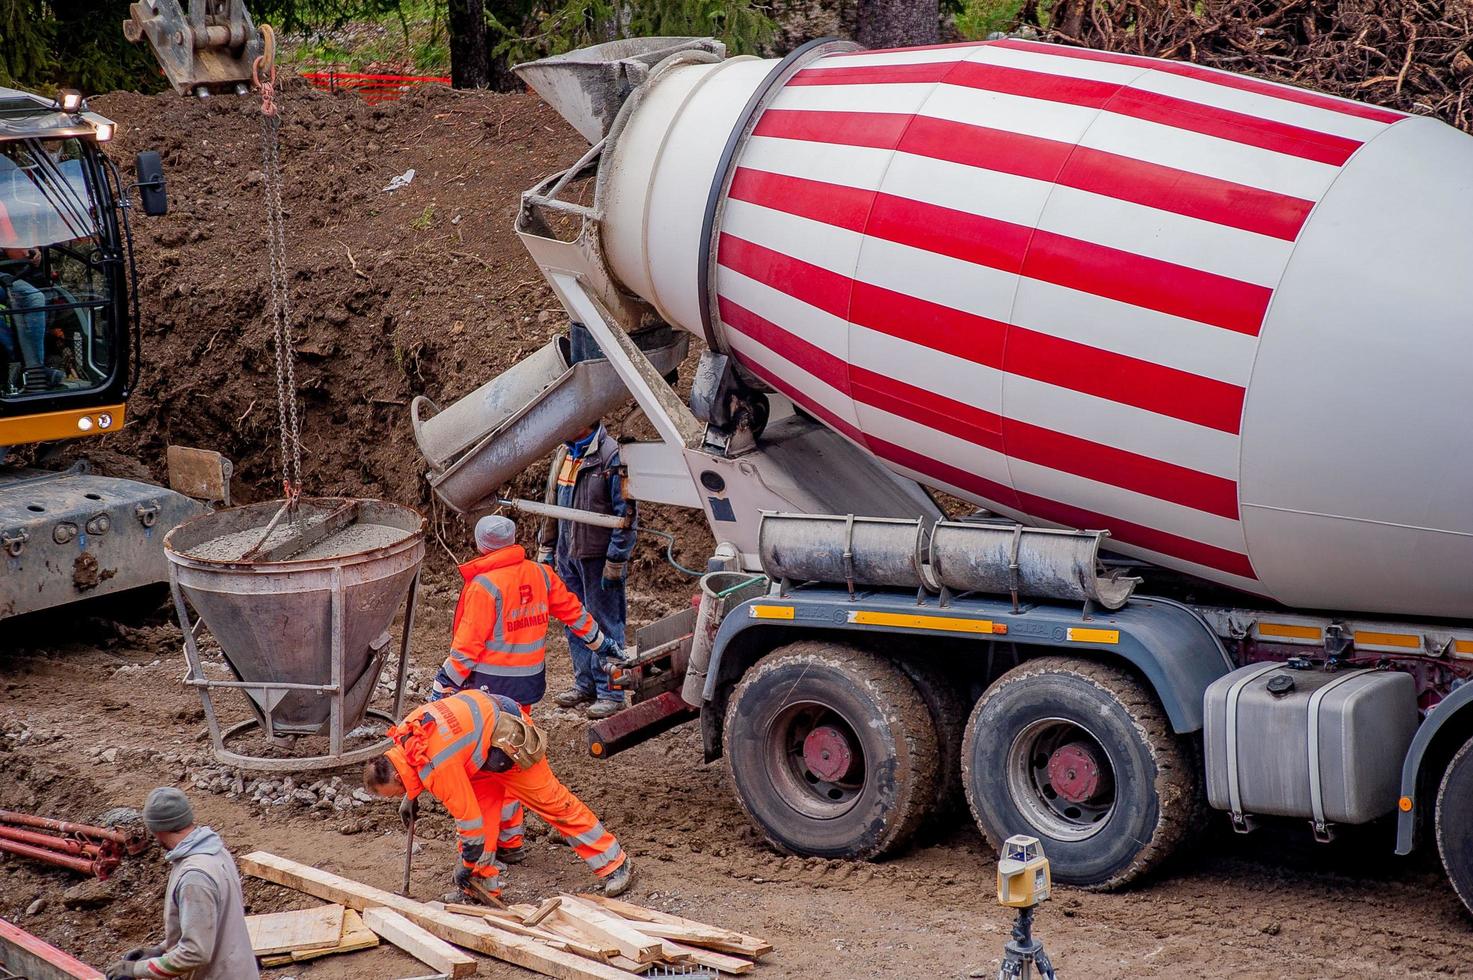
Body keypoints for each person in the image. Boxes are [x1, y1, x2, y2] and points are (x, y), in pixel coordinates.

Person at [430, 514, 623, 862]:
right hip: (526, 689)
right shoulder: (541, 574)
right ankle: (511, 841)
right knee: (513, 757)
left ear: (480, 545)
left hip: (488, 694)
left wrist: (442, 685)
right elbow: (574, 613)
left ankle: (506, 843)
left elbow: (466, 650)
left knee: (493, 768)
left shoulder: (484, 587)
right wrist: (601, 643)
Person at [364, 689, 633, 901]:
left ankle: (615, 863)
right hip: (478, 749)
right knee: (484, 814)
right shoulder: (404, 735)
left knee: (553, 803)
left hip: (507, 738)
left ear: (398, 775)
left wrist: (465, 866)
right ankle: (479, 888)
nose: (394, 797)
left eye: (393, 793)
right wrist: (409, 796)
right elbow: (424, 760)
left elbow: (469, 827)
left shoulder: (438, 768)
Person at [538, 422, 636, 721]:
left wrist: (616, 561)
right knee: (573, 621)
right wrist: (547, 550)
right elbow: (551, 506)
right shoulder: (564, 454)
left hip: (597, 558)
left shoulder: (611, 455)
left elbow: (627, 514)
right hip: (568, 554)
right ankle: (586, 685)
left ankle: (611, 692)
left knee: (605, 624)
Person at [105, 788, 257, 980]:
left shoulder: (194, 877)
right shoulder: (215, 852)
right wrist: (160, 950)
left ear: (157, 830)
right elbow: (206, 925)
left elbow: (196, 952)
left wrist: (137, 969)